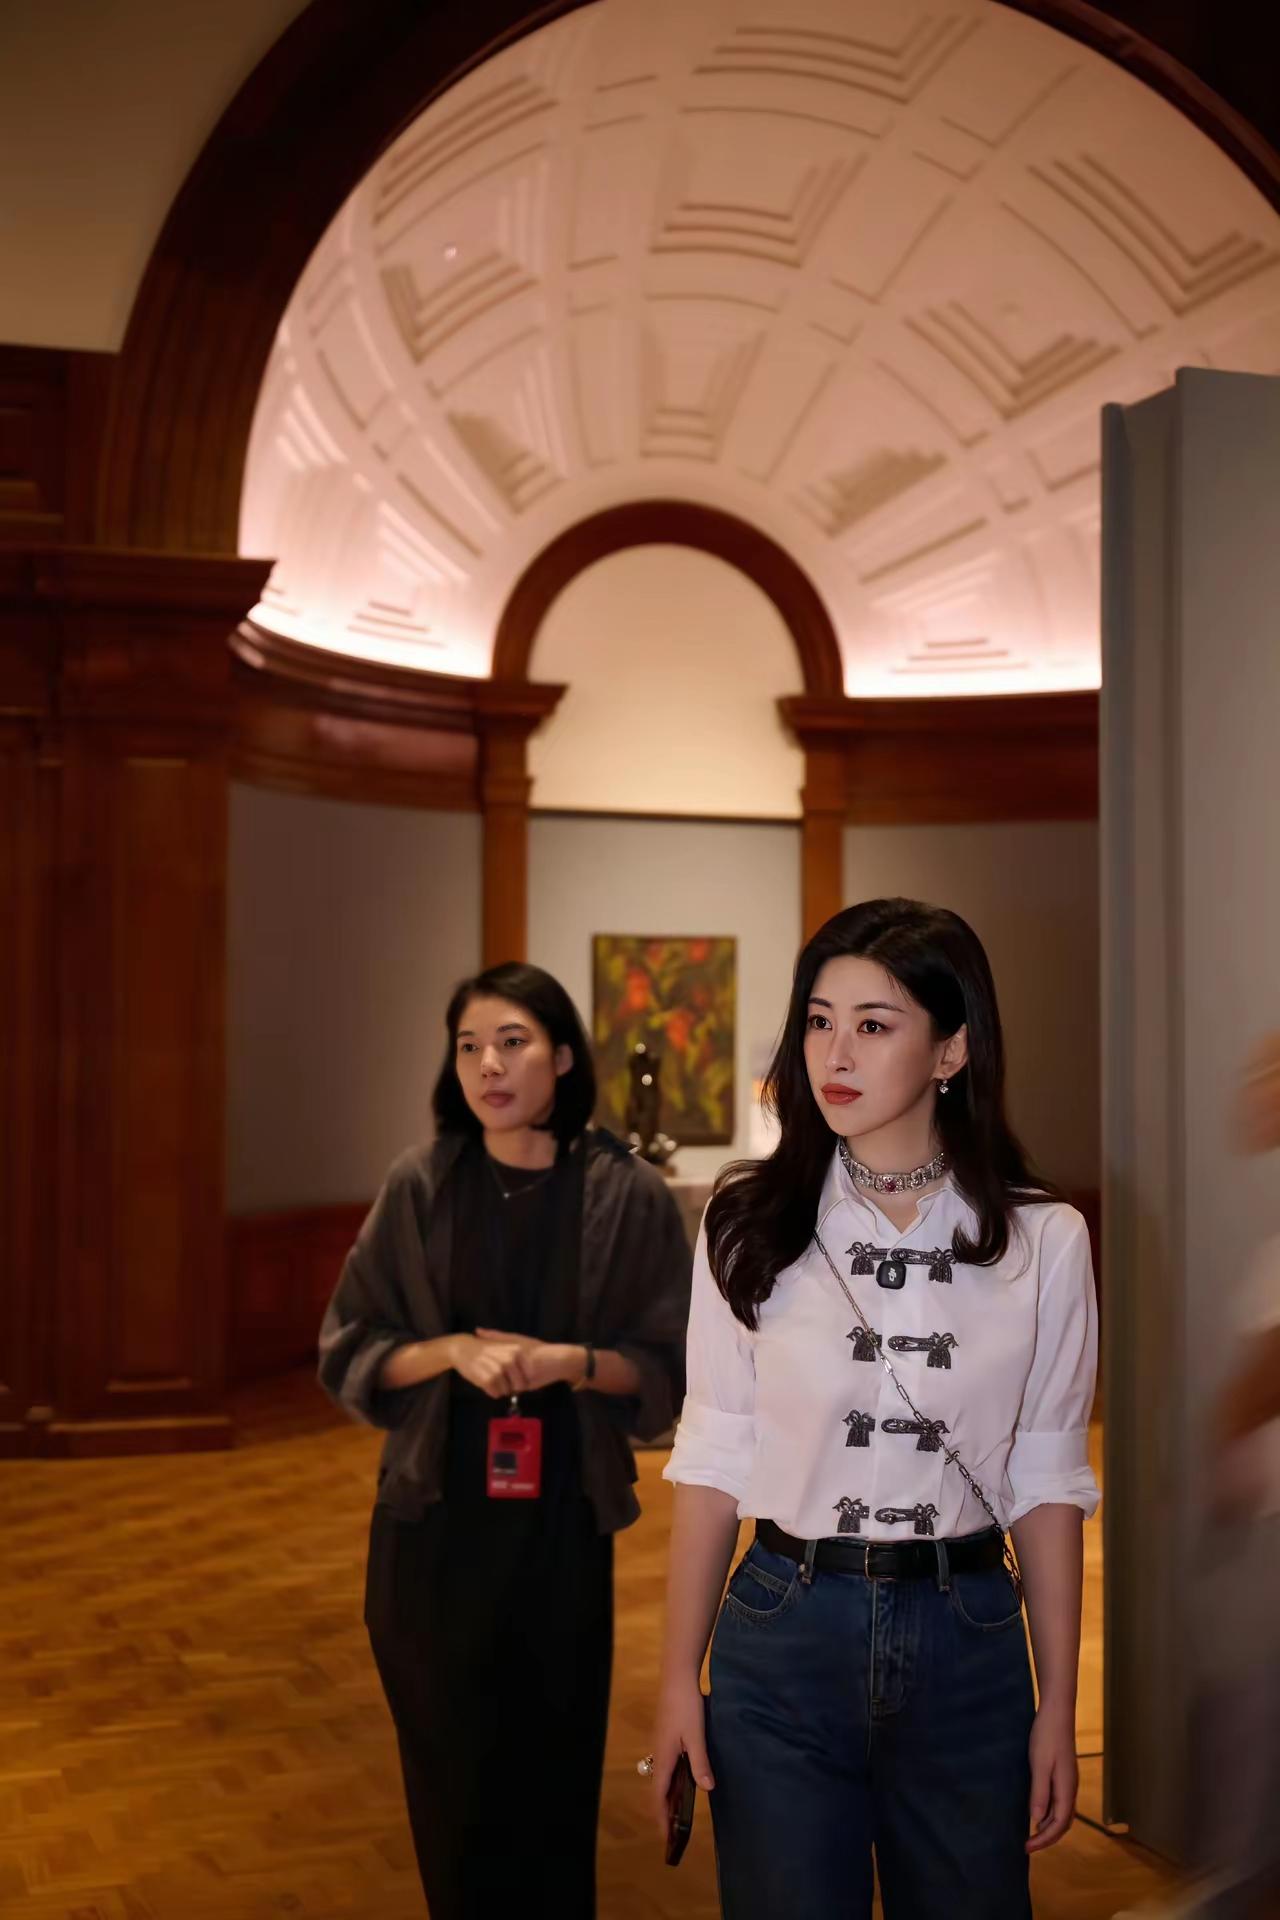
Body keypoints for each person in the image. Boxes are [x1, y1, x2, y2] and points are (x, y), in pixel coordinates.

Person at [649, 898, 1099, 1919]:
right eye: (818, 1020)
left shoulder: (1043, 1240)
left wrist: (1058, 1707)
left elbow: (1047, 1482)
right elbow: (712, 1459)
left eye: (872, 1023)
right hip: (783, 1626)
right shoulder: (744, 1221)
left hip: (967, 1636)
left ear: (950, 1051)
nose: (834, 1053)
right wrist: (677, 1677)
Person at [319, 961, 691, 1920]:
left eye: (513, 1042)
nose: (489, 1064)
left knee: (552, 1792)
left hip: (559, 1533)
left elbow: (670, 1367)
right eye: (469, 1046)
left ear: (563, 1057)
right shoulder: (422, 1184)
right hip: (430, 1530)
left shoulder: (626, 1194)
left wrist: (573, 1363)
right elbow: (350, 1344)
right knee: (452, 1797)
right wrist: (449, 1351)